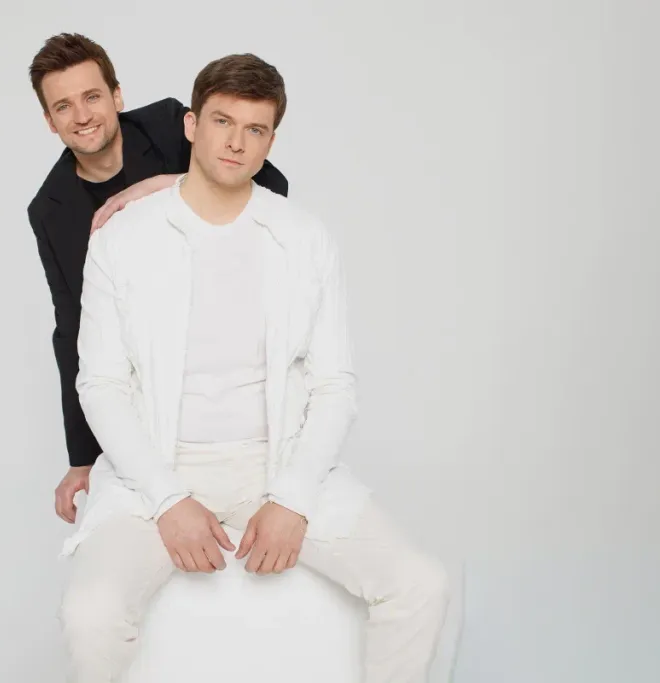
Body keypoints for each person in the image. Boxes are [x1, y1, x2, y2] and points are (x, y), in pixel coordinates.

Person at [61, 53, 451, 683]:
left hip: (275, 460)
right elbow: (100, 384)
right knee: (90, 614)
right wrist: (167, 498)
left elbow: (334, 384)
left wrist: (292, 498)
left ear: (271, 141)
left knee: (420, 586)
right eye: (222, 122)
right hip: (154, 467)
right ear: (191, 125)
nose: (236, 143)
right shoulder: (122, 239)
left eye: (255, 130)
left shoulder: (304, 237)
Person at [26, 33, 289, 524]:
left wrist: (168, 184)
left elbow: (273, 185)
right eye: (63, 106)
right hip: (151, 392)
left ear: (117, 96)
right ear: (49, 120)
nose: (81, 115)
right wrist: (81, 458)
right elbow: (73, 327)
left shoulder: (170, 126)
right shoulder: (49, 210)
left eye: (92, 96)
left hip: (238, 362)